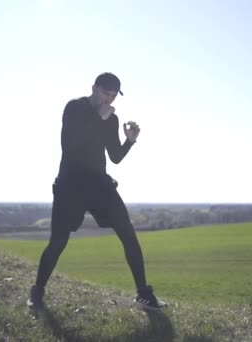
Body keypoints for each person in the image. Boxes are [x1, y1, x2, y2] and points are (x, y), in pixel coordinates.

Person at [27, 72, 166, 311]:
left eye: (113, 96)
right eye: (105, 93)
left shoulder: (111, 119)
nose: (108, 100)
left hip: (99, 185)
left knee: (128, 233)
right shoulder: (74, 108)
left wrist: (129, 141)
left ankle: (143, 294)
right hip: (70, 186)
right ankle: (37, 292)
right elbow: (70, 145)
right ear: (94, 88)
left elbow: (115, 157)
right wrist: (97, 118)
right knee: (58, 242)